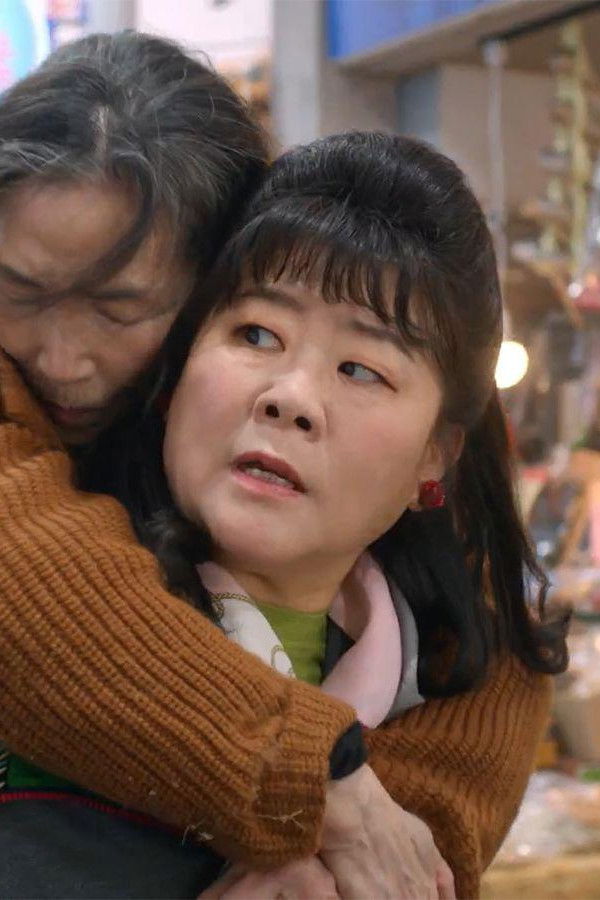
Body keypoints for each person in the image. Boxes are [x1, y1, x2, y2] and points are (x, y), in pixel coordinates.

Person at [0, 31, 560, 899]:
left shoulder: (413, 622)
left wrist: (377, 849)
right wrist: (325, 788)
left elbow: (501, 640)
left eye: (120, 308)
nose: (61, 359)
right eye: (17, 289)